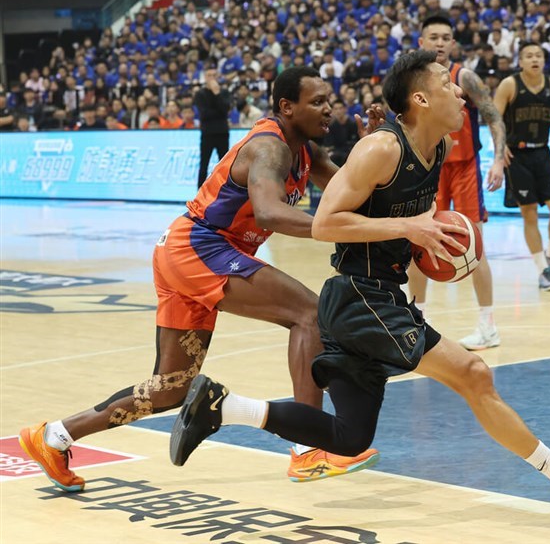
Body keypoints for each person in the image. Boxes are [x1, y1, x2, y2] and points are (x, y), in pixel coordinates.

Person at [171, 50, 550, 509]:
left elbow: (393, 214)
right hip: (360, 296)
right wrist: (409, 228)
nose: (459, 92)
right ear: (421, 99)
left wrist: (428, 243)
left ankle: (221, 407)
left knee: (348, 438)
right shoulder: (382, 148)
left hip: (373, 298)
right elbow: (327, 222)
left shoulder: (440, 148)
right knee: (473, 373)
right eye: (447, 86)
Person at [18, 67, 385, 493]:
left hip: (183, 250)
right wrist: (332, 229)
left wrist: (368, 150)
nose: (329, 108)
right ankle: (308, 449)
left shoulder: (308, 153)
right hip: (201, 247)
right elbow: (268, 213)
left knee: (170, 390)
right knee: (308, 313)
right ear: (287, 106)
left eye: (329, 100)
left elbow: (352, 193)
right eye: (317, 101)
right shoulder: (270, 148)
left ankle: (53, 437)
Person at [410, 15, 507, 351]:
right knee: (418, 246)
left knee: (475, 246)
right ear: (421, 42)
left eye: (446, 37)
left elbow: (493, 114)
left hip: (464, 168)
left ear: (453, 43)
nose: (440, 43)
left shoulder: (464, 76)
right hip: (428, 169)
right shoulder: (413, 80)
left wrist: (498, 158)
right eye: (433, 37)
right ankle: (417, 322)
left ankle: (487, 326)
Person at [494, 42, 550, 291]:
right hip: (517, 156)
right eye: (529, 56)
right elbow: (494, 119)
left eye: (539, 56)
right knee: (529, 212)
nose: (534, 59)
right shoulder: (510, 85)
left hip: (542, 152)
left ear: (544, 61)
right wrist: (501, 150)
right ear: (520, 61)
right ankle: (542, 270)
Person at [194, 67, 232, 188]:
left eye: (214, 75)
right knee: (204, 164)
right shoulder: (200, 94)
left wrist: (217, 94)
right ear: (205, 77)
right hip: (207, 133)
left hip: (222, 133)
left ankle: (226, 192)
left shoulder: (224, 92)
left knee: (225, 165)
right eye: (209, 75)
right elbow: (204, 114)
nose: (212, 78)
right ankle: (199, 195)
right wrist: (219, 112)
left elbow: (225, 109)